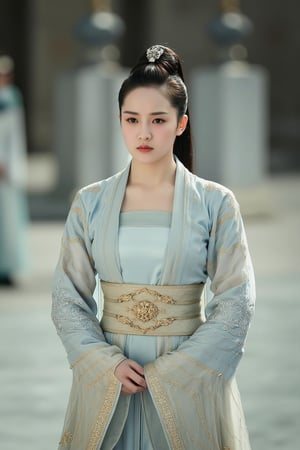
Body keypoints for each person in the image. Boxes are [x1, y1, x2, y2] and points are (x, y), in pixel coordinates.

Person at [52, 44, 255, 450]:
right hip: (112, 378)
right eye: (132, 119)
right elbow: (67, 299)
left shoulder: (216, 203)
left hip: (187, 377)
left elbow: (237, 300)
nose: (143, 133)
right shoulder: (89, 202)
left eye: (158, 120)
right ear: (120, 122)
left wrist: (174, 372)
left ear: (181, 124)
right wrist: (105, 364)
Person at [0, 55, 29, 286]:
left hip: (5, 170)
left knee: (8, 219)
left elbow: (14, 136)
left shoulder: (10, 98)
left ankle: (8, 266)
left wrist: (7, 163)